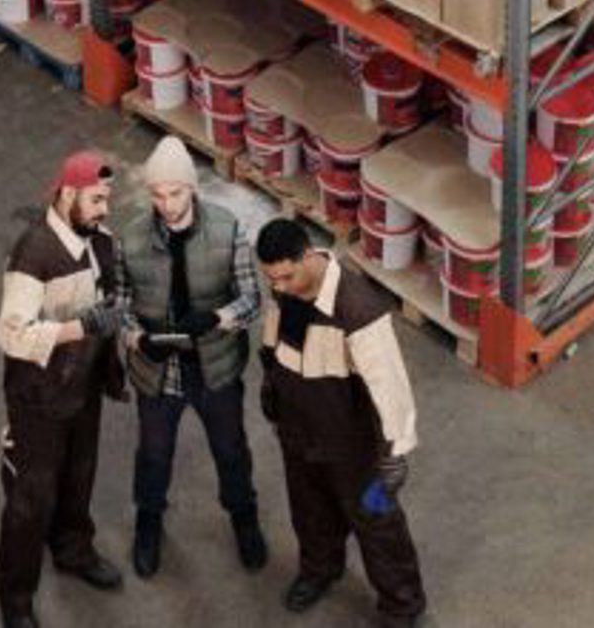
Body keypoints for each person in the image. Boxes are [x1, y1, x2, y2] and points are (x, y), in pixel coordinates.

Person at [254, 219, 426, 628]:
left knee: (378, 525)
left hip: (355, 449)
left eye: (285, 276)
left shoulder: (356, 308)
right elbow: (274, 342)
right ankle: (320, 570)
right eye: (271, 278)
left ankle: (402, 605)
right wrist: (271, 389)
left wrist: (394, 453)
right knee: (309, 511)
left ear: (307, 256)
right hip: (298, 432)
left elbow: (390, 385)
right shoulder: (285, 290)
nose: (277, 286)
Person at [113, 135, 266, 578]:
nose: (166, 204)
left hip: (215, 367)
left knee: (231, 450)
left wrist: (217, 318)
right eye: (157, 195)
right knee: (153, 454)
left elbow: (253, 299)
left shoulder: (227, 229)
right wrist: (135, 337)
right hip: (158, 372)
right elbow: (119, 302)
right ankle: (149, 520)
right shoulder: (132, 239)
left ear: (192, 188)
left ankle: (244, 517)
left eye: (175, 192)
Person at [0, 150, 126, 628]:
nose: (103, 209)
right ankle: (15, 599)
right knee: (31, 500)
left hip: (82, 386)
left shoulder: (101, 242)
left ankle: (72, 550)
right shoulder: (34, 253)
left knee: (79, 475)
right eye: (95, 199)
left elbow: (111, 305)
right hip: (38, 400)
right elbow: (10, 335)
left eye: (106, 199)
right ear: (67, 194)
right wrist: (80, 328)